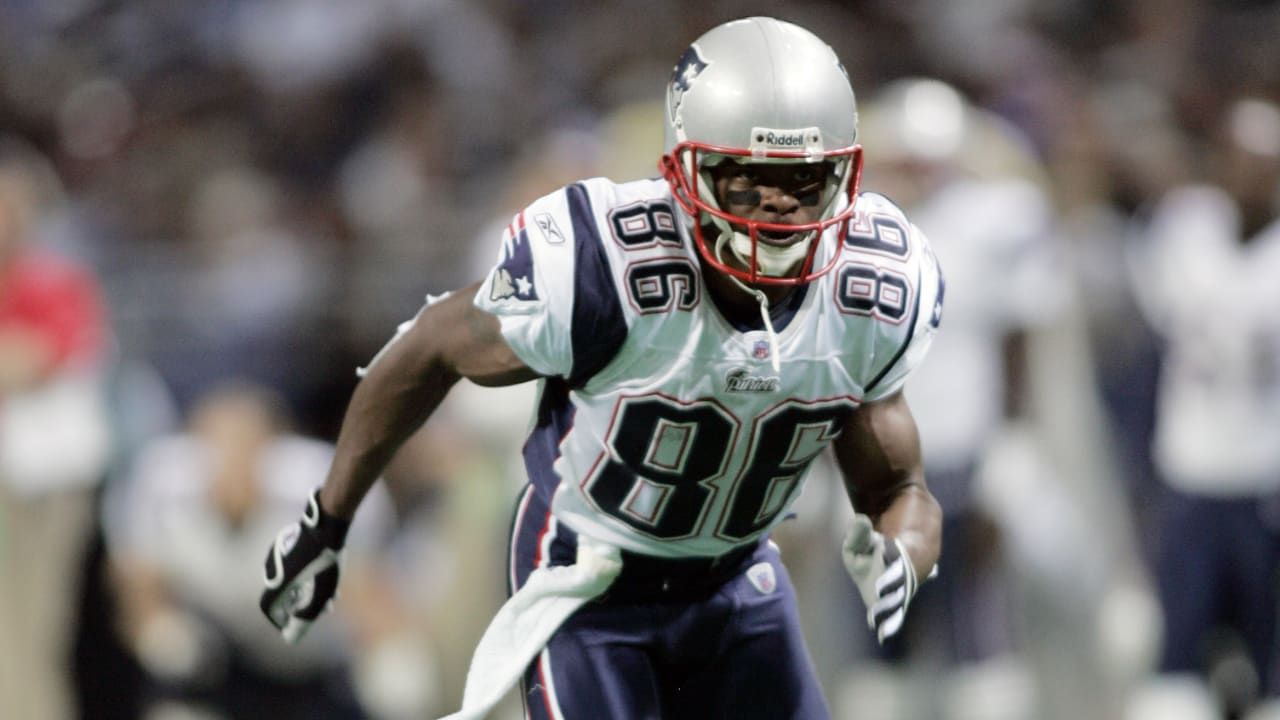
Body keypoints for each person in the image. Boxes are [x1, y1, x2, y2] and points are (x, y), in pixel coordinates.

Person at [260, 17, 945, 719]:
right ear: (685, 172)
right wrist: (327, 519)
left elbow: (899, 487)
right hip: (592, 577)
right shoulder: (607, 267)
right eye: (746, 179)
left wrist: (903, 551)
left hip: (739, 577)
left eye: (804, 178)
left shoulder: (875, 283)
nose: (779, 206)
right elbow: (432, 345)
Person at [110, 381, 436, 720]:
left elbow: (368, 596)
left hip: (311, 669)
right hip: (216, 663)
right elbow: (137, 584)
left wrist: (389, 656)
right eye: (218, 444)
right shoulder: (162, 485)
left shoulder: (322, 492)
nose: (231, 461)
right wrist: (159, 631)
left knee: (396, 686)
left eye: (243, 445)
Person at [1128, 96, 1280, 718]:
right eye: (1240, 161)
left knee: (1267, 660)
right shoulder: (1184, 228)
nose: (1250, 178)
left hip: (1265, 478)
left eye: (1264, 165)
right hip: (1189, 467)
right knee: (1176, 656)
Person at [0, 140, 113, 720]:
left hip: (46, 483)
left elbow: (40, 360)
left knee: (38, 626)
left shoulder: (56, 281)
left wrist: (20, 360)